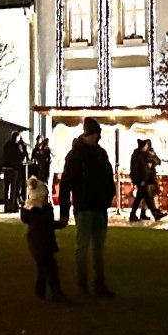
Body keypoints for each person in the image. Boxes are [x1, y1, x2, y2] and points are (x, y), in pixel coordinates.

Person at [59, 117, 116, 297]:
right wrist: (65, 211)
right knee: (86, 247)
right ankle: (86, 284)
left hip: (95, 206)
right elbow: (66, 184)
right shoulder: (80, 155)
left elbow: (108, 177)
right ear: (92, 134)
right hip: (85, 206)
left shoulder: (92, 153)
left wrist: (108, 195)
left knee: (94, 248)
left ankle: (96, 284)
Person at [21, 178, 68, 302]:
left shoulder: (35, 212)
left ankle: (42, 293)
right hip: (42, 245)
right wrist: (60, 224)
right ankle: (53, 293)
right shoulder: (38, 213)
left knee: (44, 269)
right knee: (50, 269)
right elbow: (47, 225)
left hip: (39, 245)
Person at [3, 132, 29, 212]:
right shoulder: (17, 145)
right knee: (14, 188)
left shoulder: (6, 144)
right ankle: (12, 206)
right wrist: (23, 151)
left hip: (6, 167)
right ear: (17, 137)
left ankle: (6, 206)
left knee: (6, 188)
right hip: (14, 168)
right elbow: (21, 156)